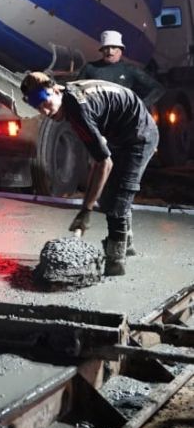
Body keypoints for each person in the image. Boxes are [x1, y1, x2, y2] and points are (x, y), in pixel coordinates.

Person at [21, 71, 160, 277]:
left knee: (119, 199)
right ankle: (127, 242)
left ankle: (115, 262)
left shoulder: (78, 109)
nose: (45, 111)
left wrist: (85, 210)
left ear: (56, 90)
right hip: (120, 133)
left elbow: (104, 163)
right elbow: (99, 159)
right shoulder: (69, 97)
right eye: (38, 107)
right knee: (107, 196)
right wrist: (91, 201)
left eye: (45, 102)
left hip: (139, 136)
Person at [78, 29, 161, 104]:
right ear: (102, 50)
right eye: (106, 48)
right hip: (96, 114)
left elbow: (158, 89)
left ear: (120, 51)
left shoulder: (129, 69)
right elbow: (75, 90)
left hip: (121, 115)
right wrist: (84, 106)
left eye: (113, 47)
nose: (110, 51)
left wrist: (140, 106)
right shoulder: (90, 67)